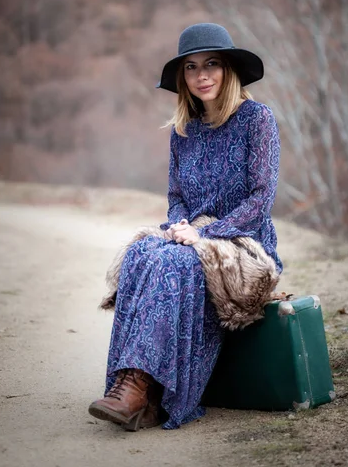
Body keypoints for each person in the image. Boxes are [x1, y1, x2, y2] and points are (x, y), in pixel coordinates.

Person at [88, 23, 283, 431]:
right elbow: (176, 195)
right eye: (192, 68)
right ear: (183, 78)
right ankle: (128, 383)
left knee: (176, 264)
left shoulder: (256, 119)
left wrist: (206, 235)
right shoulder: (184, 131)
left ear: (229, 69)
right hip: (193, 237)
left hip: (243, 245)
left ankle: (142, 389)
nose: (202, 75)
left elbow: (261, 200)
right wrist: (180, 225)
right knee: (143, 252)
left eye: (212, 64)